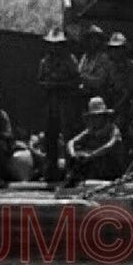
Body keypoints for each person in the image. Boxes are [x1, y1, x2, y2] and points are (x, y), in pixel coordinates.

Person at [36, 29, 83, 183]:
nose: (55, 48)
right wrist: (49, 85)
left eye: (58, 45)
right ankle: (51, 171)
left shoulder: (70, 60)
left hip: (66, 103)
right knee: (50, 137)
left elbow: (77, 81)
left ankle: (71, 171)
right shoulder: (45, 61)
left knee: (68, 136)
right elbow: (40, 82)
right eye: (52, 45)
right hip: (51, 104)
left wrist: (60, 84)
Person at [64, 96, 125, 186]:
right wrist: (73, 155)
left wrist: (90, 155)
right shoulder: (91, 130)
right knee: (78, 158)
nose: (94, 120)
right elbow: (71, 142)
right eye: (93, 117)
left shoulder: (113, 130)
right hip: (95, 169)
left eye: (97, 116)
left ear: (104, 117)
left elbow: (109, 146)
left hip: (112, 172)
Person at [77, 25, 115, 101]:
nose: (92, 41)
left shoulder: (103, 58)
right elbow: (79, 72)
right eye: (90, 38)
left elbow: (100, 81)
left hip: (98, 96)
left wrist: (83, 78)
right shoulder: (85, 57)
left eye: (95, 39)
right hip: (83, 95)